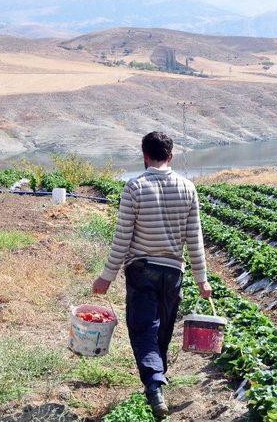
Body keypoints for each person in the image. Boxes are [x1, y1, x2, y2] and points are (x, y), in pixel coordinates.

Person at [92, 131, 212, 418]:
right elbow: (194, 238)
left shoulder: (135, 187)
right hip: (173, 272)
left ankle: (154, 384)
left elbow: (122, 237)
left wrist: (106, 277)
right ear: (170, 156)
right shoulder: (187, 188)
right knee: (163, 328)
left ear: (144, 155)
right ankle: (157, 379)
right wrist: (202, 279)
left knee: (144, 328)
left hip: (142, 268)